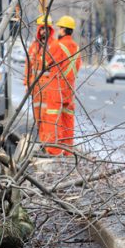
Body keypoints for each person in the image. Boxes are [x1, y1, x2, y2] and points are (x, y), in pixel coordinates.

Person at [23, 15, 62, 154]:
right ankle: (42, 141)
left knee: (47, 117)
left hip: (48, 86)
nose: (43, 32)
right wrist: (27, 83)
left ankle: (48, 144)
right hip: (36, 87)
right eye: (41, 29)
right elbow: (28, 65)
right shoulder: (34, 46)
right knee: (38, 117)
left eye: (46, 29)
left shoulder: (54, 46)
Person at [54, 15, 82, 153]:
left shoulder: (58, 45)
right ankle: (67, 149)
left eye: (59, 28)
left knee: (56, 118)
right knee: (68, 119)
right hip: (70, 88)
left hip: (57, 87)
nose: (58, 30)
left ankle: (57, 149)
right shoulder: (76, 47)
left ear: (64, 30)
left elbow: (49, 64)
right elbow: (78, 66)